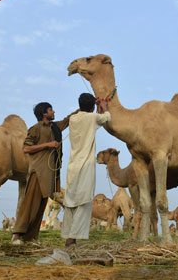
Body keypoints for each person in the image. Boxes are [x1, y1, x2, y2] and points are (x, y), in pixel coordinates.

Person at [11, 102, 76, 244]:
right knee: (29, 204)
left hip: (51, 174)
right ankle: (16, 235)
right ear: (44, 113)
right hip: (38, 172)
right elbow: (26, 149)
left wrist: (83, 109)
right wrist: (48, 144)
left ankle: (31, 238)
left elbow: (68, 120)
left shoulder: (55, 127)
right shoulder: (35, 129)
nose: (54, 111)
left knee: (41, 207)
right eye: (51, 109)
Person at [61, 93, 110, 247]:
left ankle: (68, 236)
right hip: (85, 166)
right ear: (91, 107)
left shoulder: (73, 119)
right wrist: (104, 106)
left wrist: (94, 107)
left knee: (70, 201)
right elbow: (106, 117)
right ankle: (72, 239)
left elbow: (93, 117)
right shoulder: (92, 118)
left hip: (73, 165)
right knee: (83, 201)